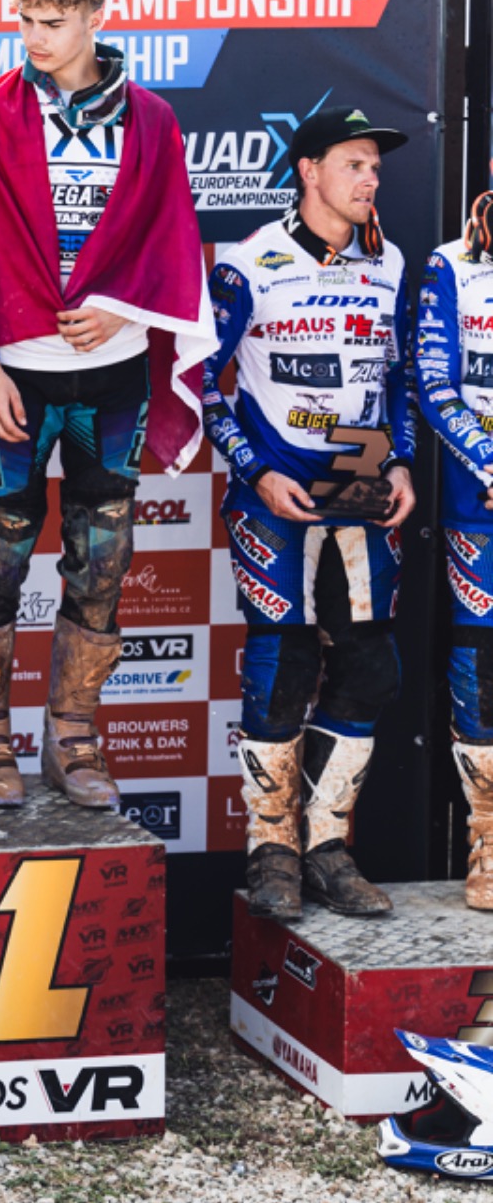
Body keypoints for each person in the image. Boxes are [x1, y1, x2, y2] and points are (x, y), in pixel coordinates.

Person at [0, 0, 213, 810]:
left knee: (103, 557)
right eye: (25, 20)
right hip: (17, 373)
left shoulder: (153, 119)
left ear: (97, 15)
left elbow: (170, 237)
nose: (34, 38)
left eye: (53, 22)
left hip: (114, 375)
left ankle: (73, 737)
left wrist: (126, 310)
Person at [208, 107, 413, 919]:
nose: (370, 179)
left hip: (359, 488)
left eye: (375, 167)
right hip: (278, 489)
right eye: (354, 163)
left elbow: (398, 376)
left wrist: (401, 460)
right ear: (308, 170)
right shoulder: (248, 262)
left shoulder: (389, 260)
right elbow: (200, 383)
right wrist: (254, 470)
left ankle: (326, 845)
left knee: (370, 666)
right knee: (283, 661)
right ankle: (271, 851)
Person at [417, 165, 493, 910]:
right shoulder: (453, 266)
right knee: (482, 662)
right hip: (481, 499)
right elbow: (435, 385)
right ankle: (489, 841)